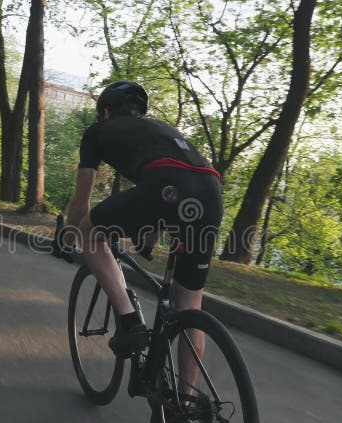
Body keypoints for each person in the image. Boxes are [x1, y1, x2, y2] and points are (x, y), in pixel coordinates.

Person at [58, 80, 223, 366]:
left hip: (167, 186)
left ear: (106, 111)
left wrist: (67, 241)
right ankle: (185, 406)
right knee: (189, 304)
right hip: (210, 191)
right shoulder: (161, 131)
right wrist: (147, 239)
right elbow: (172, 187)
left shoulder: (98, 131)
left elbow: (81, 202)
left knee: (90, 233)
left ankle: (129, 320)